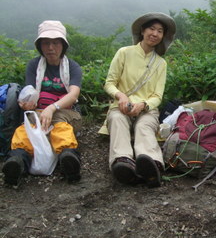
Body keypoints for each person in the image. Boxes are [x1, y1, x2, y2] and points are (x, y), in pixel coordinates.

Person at [99, 12, 176, 187]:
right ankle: (122, 162)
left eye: (160, 31)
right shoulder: (124, 53)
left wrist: (143, 105)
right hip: (121, 106)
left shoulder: (160, 63)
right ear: (142, 30)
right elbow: (109, 83)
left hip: (147, 108)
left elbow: (157, 96)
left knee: (144, 125)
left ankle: (152, 164)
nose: (155, 34)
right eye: (151, 28)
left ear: (163, 36)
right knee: (118, 119)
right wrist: (121, 96)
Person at [2, 20, 83, 185]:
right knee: (26, 128)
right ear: (40, 46)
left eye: (55, 43)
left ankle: (68, 156)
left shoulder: (72, 67)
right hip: (39, 111)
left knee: (59, 124)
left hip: (66, 111)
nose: (51, 48)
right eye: (46, 43)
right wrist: (26, 103)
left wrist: (52, 108)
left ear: (63, 45)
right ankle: (17, 159)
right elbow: (30, 91)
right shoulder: (34, 65)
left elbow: (73, 95)